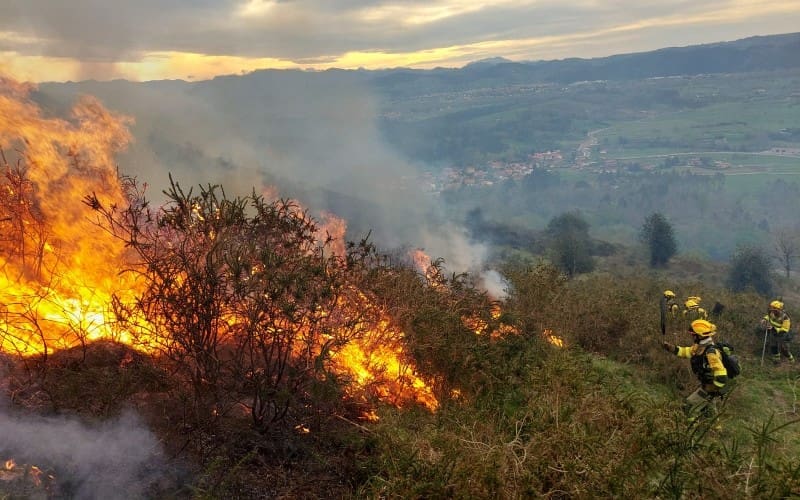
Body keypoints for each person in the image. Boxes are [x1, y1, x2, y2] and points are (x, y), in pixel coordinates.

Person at [663, 319, 728, 424]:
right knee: (709, 410)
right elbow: (686, 352)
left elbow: (722, 375)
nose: (692, 336)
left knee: (690, 406)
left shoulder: (711, 352)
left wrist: (712, 389)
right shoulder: (699, 347)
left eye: (693, 334)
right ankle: (717, 431)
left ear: (700, 335)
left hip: (710, 387)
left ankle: (690, 429)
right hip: (707, 386)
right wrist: (671, 348)